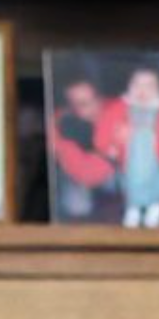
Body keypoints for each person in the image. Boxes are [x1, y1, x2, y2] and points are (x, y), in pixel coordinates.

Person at [94, 65, 159, 228]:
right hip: (131, 156)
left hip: (155, 157)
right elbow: (104, 127)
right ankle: (133, 208)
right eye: (137, 84)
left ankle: (155, 206)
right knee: (130, 182)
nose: (142, 90)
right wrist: (107, 146)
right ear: (128, 86)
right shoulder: (118, 107)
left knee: (158, 181)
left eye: (149, 85)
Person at [49, 77, 115, 220]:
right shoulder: (61, 123)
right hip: (77, 173)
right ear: (70, 108)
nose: (93, 107)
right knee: (78, 207)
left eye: (94, 99)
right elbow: (80, 170)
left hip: (110, 170)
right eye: (81, 104)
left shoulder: (116, 108)